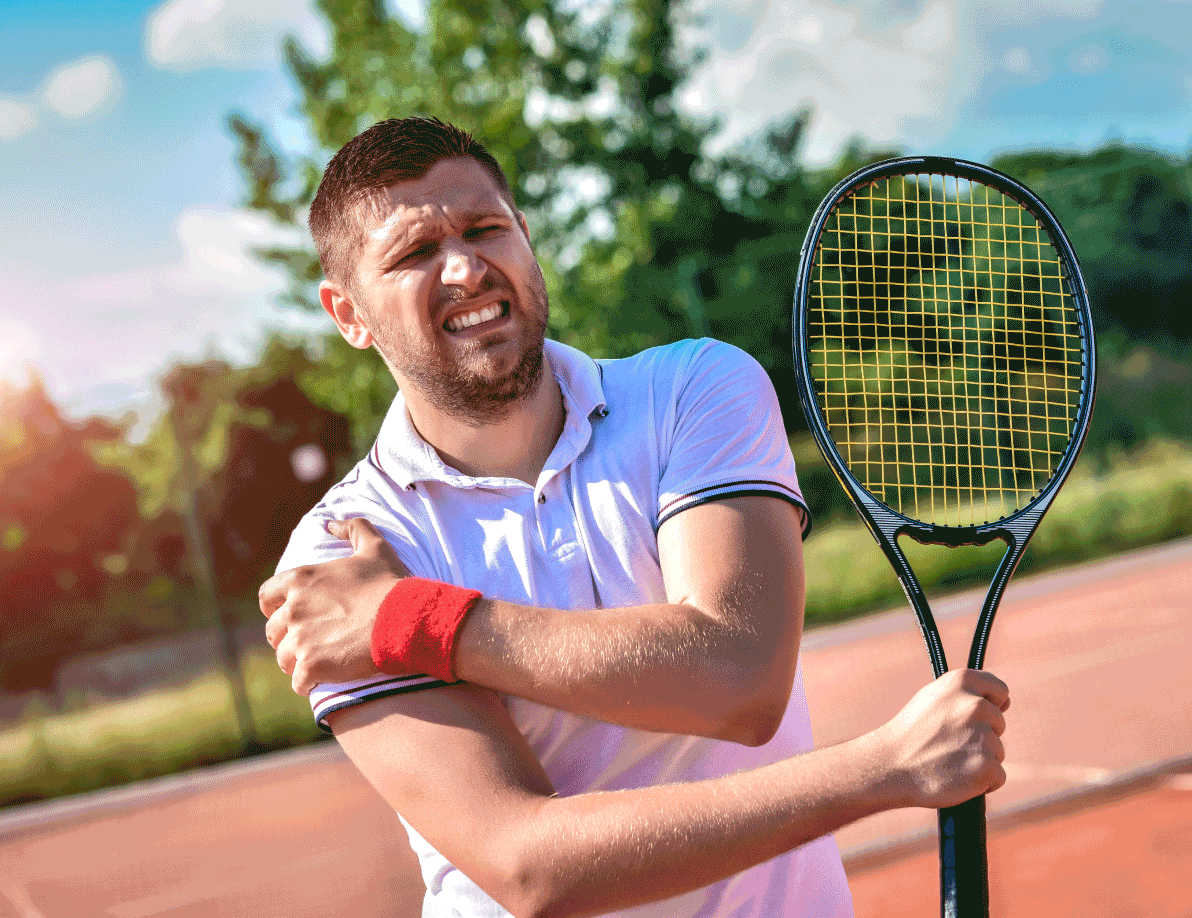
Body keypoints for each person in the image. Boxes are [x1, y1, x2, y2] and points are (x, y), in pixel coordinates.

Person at [258, 116, 1010, 918]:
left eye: (485, 229)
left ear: (526, 238)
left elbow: (738, 679)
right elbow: (530, 865)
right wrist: (883, 768)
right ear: (348, 314)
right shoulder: (339, 560)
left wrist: (415, 622)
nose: (466, 268)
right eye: (413, 252)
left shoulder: (694, 389)